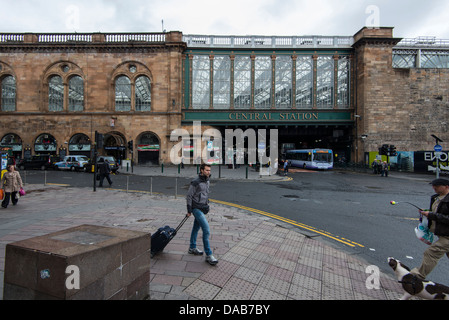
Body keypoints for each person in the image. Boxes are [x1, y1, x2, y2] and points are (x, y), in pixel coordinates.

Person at [411, 178, 449, 279]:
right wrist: (426, 212)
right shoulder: (437, 198)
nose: (434, 187)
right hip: (443, 234)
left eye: (437, 185)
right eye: (433, 185)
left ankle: (418, 277)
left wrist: (431, 215)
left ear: (446, 186)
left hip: (448, 236)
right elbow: (437, 212)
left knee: (431, 253)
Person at [186, 163, 218, 265]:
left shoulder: (207, 180)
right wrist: (189, 210)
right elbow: (189, 196)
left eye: (209, 170)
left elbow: (205, 194)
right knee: (206, 230)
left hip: (202, 207)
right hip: (196, 208)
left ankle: (192, 247)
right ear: (201, 170)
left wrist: (206, 204)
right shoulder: (195, 182)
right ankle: (209, 255)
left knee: (196, 228)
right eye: (207, 170)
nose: (209, 172)